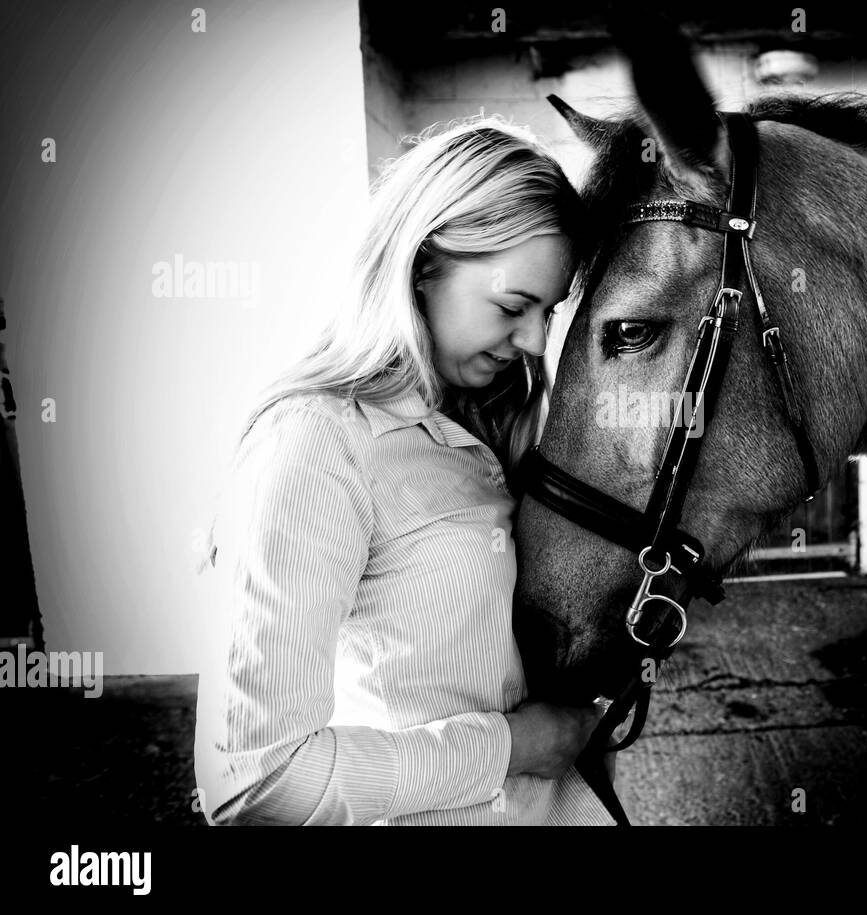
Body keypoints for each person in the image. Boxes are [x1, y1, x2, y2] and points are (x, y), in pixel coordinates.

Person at [193, 116, 615, 825]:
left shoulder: (481, 422)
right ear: (422, 264)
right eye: (514, 305)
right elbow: (255, 781)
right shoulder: (315, 445)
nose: (536, 340)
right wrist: (509, 746)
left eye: (548, 310)